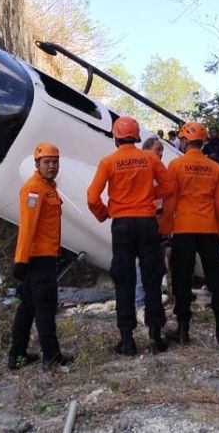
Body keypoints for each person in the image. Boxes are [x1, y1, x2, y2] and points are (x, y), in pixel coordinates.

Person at [87, 116, 176, 355]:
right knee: (152, 278)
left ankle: (127, 340)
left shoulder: (108, 162)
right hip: (147, 224)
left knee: (124, 280)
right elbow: (168, 188)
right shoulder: (149, 159)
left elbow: (92, 198)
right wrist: (148, 194)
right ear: (136, 137)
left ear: (116, 136)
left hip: (122, 225)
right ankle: (156, 337)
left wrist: (104, 214)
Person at [8, 143, 75, 371]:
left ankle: (16, 355)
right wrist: (21, 260)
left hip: (45, 256)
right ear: (37, 164)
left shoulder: (48, 187)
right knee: (45, 307)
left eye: (55, 162)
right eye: (47, 162)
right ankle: (52, 356)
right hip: (38, 260)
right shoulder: (34, 190)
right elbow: (27, 227)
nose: (52, 166)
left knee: (27, 307)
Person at [163, 122, 219, 345]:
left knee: (182, 278)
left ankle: (183, 330)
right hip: (209, 228)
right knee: (216, 278)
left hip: (183, 228)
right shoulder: (215, 167)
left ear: (183, 140)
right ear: (203, 142)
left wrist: (165, 229)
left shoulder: (176, 165)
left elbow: (170, 201)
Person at [134, 136, 168, 317]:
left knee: (157, 265)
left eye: (162, 151)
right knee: (142, 265)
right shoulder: (143, 169)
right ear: (146, 149)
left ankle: (150, 301)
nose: (161, 154)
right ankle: (140, 303)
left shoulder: (156, 170)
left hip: (158, 226)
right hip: (145, 223)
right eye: (158, 150)